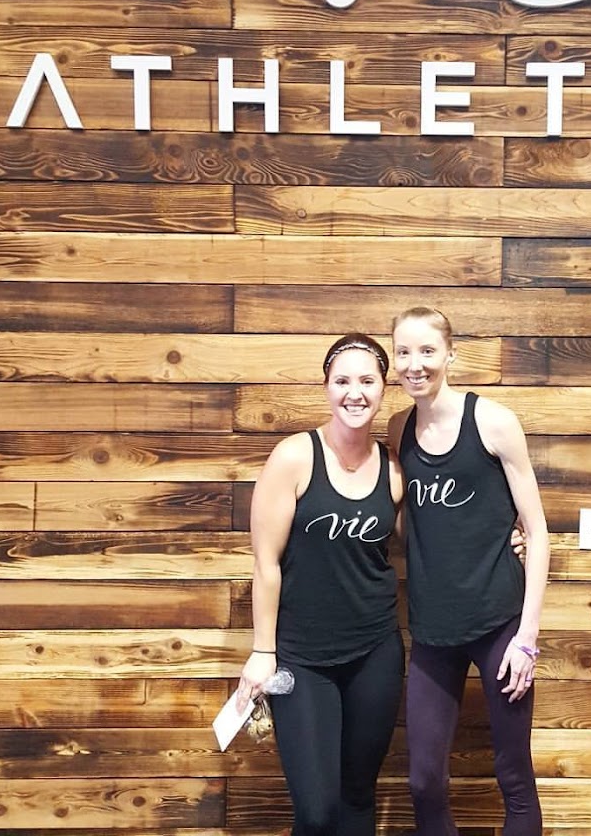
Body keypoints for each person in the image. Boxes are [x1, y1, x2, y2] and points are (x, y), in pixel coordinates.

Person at [387, 306, 550, 836]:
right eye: (403, 352)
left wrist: (527, 637)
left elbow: (537, 531)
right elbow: (408, 522)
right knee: (423, 782)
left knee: (514, 775)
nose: (414, 364)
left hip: (500, 624)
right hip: (433, 631)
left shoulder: (493, 422)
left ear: (450, 354)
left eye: (426, 351)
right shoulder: (398, 428)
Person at [236, 332, 405, 836]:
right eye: (342, 381)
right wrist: (262, 651)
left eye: (367, 381)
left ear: (383, 387)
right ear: (326, 386)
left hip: (375, 652)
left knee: (357, 796)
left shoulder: (394, 469)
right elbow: (266, 562)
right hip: (302, 658)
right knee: (316, 812)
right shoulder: (294, 457)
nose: (355, 393)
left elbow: (434, 540)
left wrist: (511, 536)